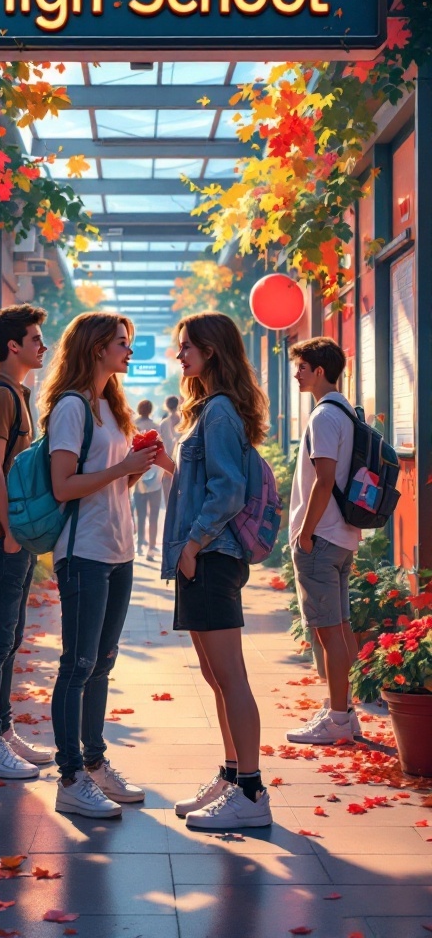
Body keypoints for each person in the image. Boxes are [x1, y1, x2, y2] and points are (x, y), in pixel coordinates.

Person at [38, 312, 159, 818]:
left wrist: (136, 468)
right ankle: (69, 778)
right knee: (78, 664)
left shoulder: (112, 406)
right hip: (82, 551)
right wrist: (122, 467)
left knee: (102, 663)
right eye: (121, 343)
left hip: (118, 549)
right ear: (95, 349)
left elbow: (111, 484)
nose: (129, 351)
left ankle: (94, 763)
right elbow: (63, 486)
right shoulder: (71, 407)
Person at [160, 312, 272, 830]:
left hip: (212, 556)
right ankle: (232, 775)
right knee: (216, 677)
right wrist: (170, 467)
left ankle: (250, 790)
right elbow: (205, 481)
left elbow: (227, 490)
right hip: (201, 557)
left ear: (211, 350)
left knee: (231, 676)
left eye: (187, 347)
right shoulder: (209, 410)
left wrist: (194, 543)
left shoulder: (220, 410)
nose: (180, 355)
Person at [0, 304, 55, 780]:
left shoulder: (17, 393)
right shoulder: (1, 396)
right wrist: (8, 531)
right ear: (13, 346)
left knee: (10, 637)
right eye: (35, 339)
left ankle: (1, 732)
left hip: (13, 533)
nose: (42, 346)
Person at [286, 337, 361, 745]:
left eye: (302, 367)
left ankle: (336, 718)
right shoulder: (347, 411)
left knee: (327, 632)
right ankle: (345, 712)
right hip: (344, 534)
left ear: (319, 371)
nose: (297, 373)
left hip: (324, 535)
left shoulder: (322, 417)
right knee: (342, 627)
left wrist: (306, 532)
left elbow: (325, 479)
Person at [133, 399, 164, 560]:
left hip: (138, 477)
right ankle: (151, 548)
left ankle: (139, 546)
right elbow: (161, 452)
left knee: (141, 513)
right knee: (153, 515)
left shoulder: (133, 426)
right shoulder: (156, 427)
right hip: (154, 477)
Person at [158, 395, 181, 508]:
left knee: (169, 504)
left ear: (166, 406)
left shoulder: (163, 423)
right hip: (181, 464)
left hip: (166, 465)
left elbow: (162, 445)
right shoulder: (184, 420)